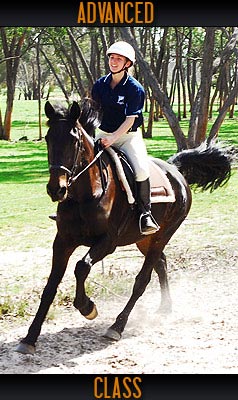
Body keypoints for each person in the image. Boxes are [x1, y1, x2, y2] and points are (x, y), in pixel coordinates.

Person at [91, 41, 159, 235]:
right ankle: (70, 206)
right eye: (112, 58)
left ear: (127, 63)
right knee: (81, 163)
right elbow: (94, 112)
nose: (114, 61)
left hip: (127, 137)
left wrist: (113, 138)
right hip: (102, 133)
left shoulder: (135, 88)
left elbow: (130, 120)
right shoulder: (99, 85)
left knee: (140, 169)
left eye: (118, 59)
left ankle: (145, 214)